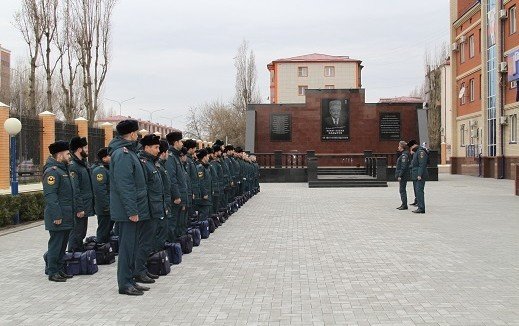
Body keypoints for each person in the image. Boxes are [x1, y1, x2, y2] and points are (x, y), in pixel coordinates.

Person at [109, 119, 151, 296]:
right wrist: (132, 211)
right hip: (128, 212)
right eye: (137, 133)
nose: (138, 136)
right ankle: (124, 283)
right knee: (126, 248)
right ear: (132, 134)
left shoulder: (129, 152)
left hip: (134, 209)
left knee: (132, 246)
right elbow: (125, 185)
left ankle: (130, 279)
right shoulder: (123, 154)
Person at [43, 140, 75, 282]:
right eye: (68, 154)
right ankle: (52, 271)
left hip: (67, 215)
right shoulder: (52, 172)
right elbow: (51, 196)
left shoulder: (64, 170)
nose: (70, 156)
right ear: (60, 155)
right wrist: (56, 215)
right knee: (56, 244)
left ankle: (60, 269)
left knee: (63, 245)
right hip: (58, 216)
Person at [136, 134, 165, 281]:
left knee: (148, 242)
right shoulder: (143, 163)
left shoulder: (151, 163)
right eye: (156, 147)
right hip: (147, 210)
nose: (158, 150)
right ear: (146, 147)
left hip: (154, 208)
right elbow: (143, 189)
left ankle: (143, 269)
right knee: (144, 242)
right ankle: (139, 271)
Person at [67, 136, 94, 251]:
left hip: (85, 205)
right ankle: (74, 258)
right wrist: (79, 208)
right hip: (80, 207)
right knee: (76, 234)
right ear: (79, 149)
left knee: (81, 233)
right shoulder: (73, 166)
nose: (87, 150)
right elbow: (75, 189)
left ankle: (79, 257)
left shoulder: (82, 164)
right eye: (85, 147)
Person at [165, 131, 188, 241]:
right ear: (175, 142)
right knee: (172, 223)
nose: (182, 144)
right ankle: (170, 245)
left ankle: (175, 244)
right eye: (180, 142)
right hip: (175, 198)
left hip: (180, 196)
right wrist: (176, 196)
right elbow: (171, 178)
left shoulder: (175, 156)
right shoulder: (170, 157)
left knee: (177, 223)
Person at [92, 147, 112, 243]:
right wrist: (106, 206)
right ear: (104, 158)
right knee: (103, 230)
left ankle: (106, 250)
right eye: (109, 155)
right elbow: (100, 191)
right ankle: (100, 248)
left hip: (109, 206)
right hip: (104, 208)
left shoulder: (107, 169)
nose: (112, 157)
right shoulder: (100, 171)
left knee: (108, 231)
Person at [156, 140, 171, 252]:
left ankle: (160, 254)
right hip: (160, 204)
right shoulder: (158, 167)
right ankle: (157, 255)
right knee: (160, 231)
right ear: (164, 153)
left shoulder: (162, 166)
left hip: (164, 202)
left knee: (164, 229)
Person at [409, 140, 429, 214]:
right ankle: (420, 207)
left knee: (419, 191)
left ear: (414, 145)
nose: (410, 149)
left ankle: (421, 208)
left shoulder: (421, 152)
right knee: (417, 191)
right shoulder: (416, 152)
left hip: (420, 175)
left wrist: (419, 174)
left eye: (411, 147)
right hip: (416, 175)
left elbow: (422, 164)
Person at [194, 149, 212, 220]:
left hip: (206, 196)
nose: (208, 158)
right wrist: (204, 193)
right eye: (207, 156)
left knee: (206, 214)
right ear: (204, 157)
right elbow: (201, 181)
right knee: (203, 215)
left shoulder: (205, 167)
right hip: (203, 197)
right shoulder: (200, 167)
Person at [183, 139, 199, 218]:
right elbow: (188, 177)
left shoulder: (191, 160)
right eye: (194, 148)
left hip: (192, 190)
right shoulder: (187, 161)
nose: (195, 150)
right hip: (189, 191)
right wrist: (191, 192)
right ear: (190, 149)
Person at [395, 141, 411, 210]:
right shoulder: (403, 154)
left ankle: (404, 205)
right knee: (402, 189)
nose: (398, 147)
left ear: (402, 147)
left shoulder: (404, 155)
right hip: (403, 175)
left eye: (399, 146)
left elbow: (403, 167)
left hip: (403, 175)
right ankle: (403, 204)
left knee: (402, 190)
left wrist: (400, 175)